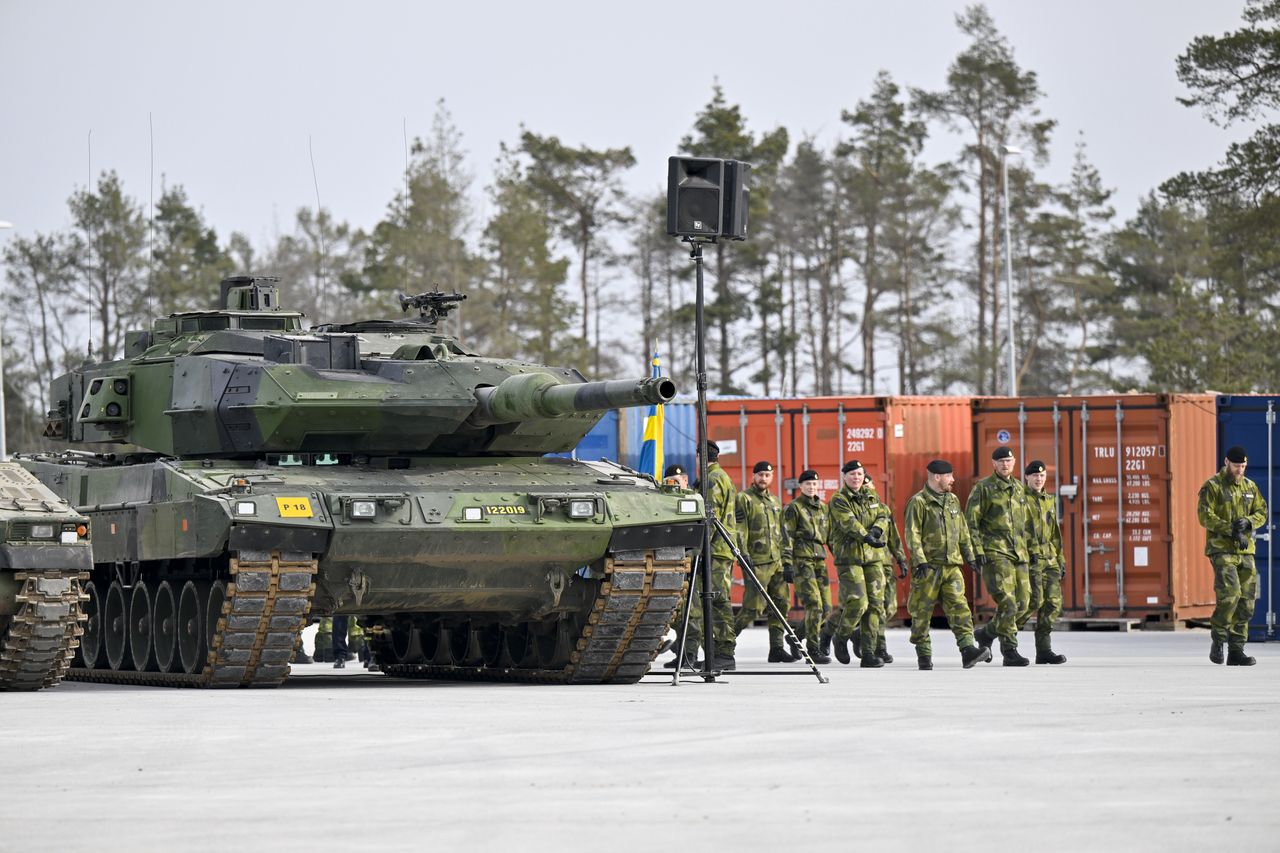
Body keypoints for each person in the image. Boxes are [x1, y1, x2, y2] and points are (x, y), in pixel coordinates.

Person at [903, 459, 991, 670]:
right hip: (928, 567)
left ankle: (968, 650)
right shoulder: (919, 502)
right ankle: (924, 654)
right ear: (937, 477)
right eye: (949, 476)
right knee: (921, 613)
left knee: (960, 608)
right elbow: (912, 534)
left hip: (952, 566)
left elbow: (962, 530)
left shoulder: (952, 500)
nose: (953, 480)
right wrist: (920, 560)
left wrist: (970, 556)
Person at [665, 440, 738, 670]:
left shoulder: (713, 479)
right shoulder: (722, 477)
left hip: (714, 551)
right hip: (717, 550)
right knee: (701, 602)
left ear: (699, 457)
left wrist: (696, 547)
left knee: (716, 601)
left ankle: (724, 653)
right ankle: (701, 652)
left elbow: (710, 518)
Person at [1197, 445, 1268, 666]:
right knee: (1230, 595)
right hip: (1222, 549)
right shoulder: (1213, 486)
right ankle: (1218, 640)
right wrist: (1231, 529)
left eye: (1243, 466)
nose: (1240, 470)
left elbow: (1262, 511)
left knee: (1247, 602)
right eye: (1237, 465)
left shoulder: (1250, 487)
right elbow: (1204, 516)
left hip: (1246, 551)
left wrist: (1249, 522)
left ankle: (1236, 650)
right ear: (1227, 462)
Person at [966, 446, 1033, 666]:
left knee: (1024, 603)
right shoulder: (983, 489)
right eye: (1001, 461)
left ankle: (987, 634)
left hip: (1019, 553)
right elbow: (971, 523)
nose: (1006, 465)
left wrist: (1032, 551)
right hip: (995, 552)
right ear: (994, 464)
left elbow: (1026, 524)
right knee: (1009, 603)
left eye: (1009, 461)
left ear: (1014, 463)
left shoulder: (1019, 488)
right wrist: (976, 550)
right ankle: (1010, 651)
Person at [733, 461, 799, 662]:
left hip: (777, 562)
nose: (763, 478)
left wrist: (787, 562)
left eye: (767, 475)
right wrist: (742, 555)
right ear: (753, 476)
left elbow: (783, 533)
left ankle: (776, 649)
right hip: (757, 563)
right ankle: (724, 646)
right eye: (760, 474)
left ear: (772, 478)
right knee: (752, 608)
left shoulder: (775, 501)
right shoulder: (744, 499)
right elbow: (740, 529)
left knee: (781, 604)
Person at [822, 460, 886, 667]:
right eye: (852, 475)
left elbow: (883, 514)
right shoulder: (839, 499)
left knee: (875, 606)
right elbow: (848, 522)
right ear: (845, 477)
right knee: (858, 603)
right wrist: (867, 536)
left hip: (873, 558)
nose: (856, 478)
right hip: (849, 559)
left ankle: (868, 653)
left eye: (859, 474)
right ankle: (840, 636)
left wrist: (877, 529)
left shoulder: (872, 495)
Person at [1018, 460, 1067, 664]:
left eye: (1042, 475)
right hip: (1031, 559)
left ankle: (1044, 650)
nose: (1039, 479)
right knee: (1032, 602)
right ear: (1027, 478)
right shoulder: (1019, 500)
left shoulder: (1049, 500)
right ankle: (1000, 633)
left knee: (1053, 604)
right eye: (1035, 475)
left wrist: (1060, 558)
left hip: (1050, 559)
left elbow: (1055, 532)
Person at [781, 469, 832, 664]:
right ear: (800, 486)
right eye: (807, 484)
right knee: (815, 605)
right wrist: (787, 563)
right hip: (802, 561)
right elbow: (787, 536)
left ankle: (794, 637)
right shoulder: (793, 508)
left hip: (819, 560)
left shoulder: (823, 508)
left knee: (826, 608)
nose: (811, 487)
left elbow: (829, 537)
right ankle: (813, 649)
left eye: (814, 484)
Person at [863, 474, 908, 665]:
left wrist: (902, 559)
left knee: (889, 608)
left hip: (886, 564)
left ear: (874, 485)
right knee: (876, 608)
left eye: (868, 483)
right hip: (871, 565)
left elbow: (894, 538)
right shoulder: (860, 511)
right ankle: (879, 647)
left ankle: (863, 634)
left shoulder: (883, 509)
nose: (866, 487)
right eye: (863, 485)